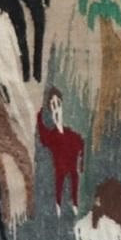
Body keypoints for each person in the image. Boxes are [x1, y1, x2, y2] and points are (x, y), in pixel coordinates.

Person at [36, 87, 85, 217]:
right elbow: (44, 137)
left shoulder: (72, 136)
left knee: (73, 177)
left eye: (58, 103)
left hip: (71, 173)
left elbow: (81, 146)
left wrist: (81, 163)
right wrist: (39, 116)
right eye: (53, 105)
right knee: (60, 182)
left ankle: (74, 205)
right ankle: (59, 207)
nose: (56, 108)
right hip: (59, 173)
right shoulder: (52, 136)